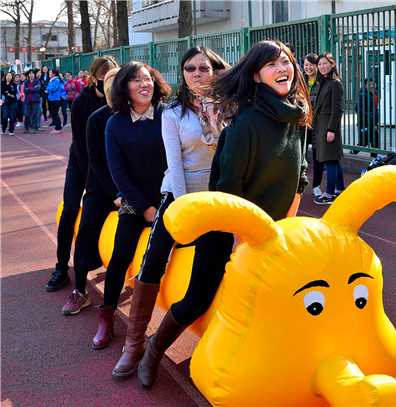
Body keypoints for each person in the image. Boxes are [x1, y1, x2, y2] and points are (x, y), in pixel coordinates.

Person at [137, 40, 311, 389]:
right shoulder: (245, 124)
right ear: (256, 76)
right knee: (198, 298)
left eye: (286, 62)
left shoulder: (296, 116)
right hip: (228, 227)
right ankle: (152, 350)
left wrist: (283, 228)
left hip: (271, 230)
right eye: (272, 64)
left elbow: (300, 176)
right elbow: (228, 189)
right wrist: (241, 238)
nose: (283, 69)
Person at [112, 47, 230, 377]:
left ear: (214, 71)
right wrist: (183, 209)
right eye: (190, 68)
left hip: (220, 197)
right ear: (183, 74)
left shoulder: (229, 106)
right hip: (180, 195)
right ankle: (134, 344)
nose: (197, 74)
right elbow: (175, 166)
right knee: (152, 262)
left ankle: (157, 346)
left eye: (203, 68)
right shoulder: (173, 112)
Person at [94, 61, 171, 350]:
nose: (144, 84)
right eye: (136, 80)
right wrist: (144, 208)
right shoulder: (115, 124)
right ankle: (107, 316)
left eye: (148, 78)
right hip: (134, 201)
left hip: (169, 198)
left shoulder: (168, 114)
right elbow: (119, 173)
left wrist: (163, 205)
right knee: (120, 255)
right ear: (124, 87)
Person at [46, 56, 118, 292]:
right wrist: (91, 183)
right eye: (103, 78)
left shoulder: (119, 100)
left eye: (112, 78)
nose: (108, 83)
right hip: (80, 163)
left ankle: (108, 260)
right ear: (93, 79)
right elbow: (80, 146)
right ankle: (61, 267)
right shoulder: (80, 103)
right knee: (69, 211)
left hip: (109, 165)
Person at [60, 67, 120, 316]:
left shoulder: (143, 114)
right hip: (101, 182)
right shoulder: (95, 118)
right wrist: (115, 193)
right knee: (83, 228)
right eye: (110, 85)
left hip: (133, 185)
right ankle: (79, 288)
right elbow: (93, 159)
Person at [312, 52, 346, 205]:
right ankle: (340, 189)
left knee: (330, 160)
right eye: (319, 64)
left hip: (328, 128)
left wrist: (331, 130)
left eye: (325, 63)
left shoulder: (335, 83)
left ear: (332, 64)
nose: (321, 67)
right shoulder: (324, 81)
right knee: (333, 160)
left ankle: (330, 193)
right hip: (322, 127)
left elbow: (337, 110)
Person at [303, 52, 323, 196]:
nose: (308, 68)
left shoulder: (322, 81)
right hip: (303, 124)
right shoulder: (300, 80)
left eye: (311, 65)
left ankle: (316, 186)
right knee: (300, 156)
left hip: (318, 124)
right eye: (306, 65)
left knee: (318, 156)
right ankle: (299, 184)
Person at [352, 78, 379, 157]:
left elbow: (375, 108)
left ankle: (373, 158)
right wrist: (367, 116)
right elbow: (358, 108)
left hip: (373, 121)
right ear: (365, 85)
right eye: (369, 84)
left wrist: (376, 120)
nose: (371, 86)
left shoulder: (374, 94)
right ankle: (354, 151)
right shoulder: (362, 95)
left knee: (375, 140)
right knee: (365, 141)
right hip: (364, 122)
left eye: (373, 84)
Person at [46, 69, 63, 134]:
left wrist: (49, 91)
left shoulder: (56, 80)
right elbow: (47, 88)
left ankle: (58, 128)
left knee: (55, 113)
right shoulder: (50, 80)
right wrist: (48, 91)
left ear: (54, 74)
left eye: (50, 72)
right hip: (50, 98)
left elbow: (53, 88)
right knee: (52, 113)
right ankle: (56, 126)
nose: (49, 73)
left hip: (55, 98)